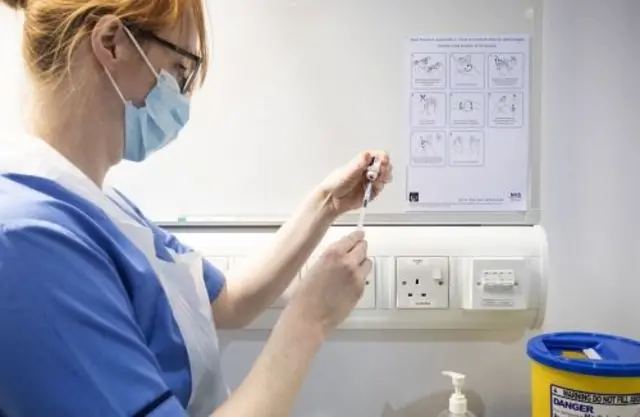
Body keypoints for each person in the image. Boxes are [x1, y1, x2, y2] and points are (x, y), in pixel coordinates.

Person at [0, 0, 393, 416]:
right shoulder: (29, 242)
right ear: (112, 43)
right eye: (179, 71)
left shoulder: (97, 203)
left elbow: (227, 300)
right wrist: (309, 319)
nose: (182, 102)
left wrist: (327, 203)